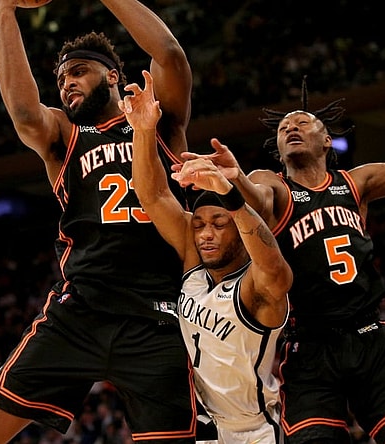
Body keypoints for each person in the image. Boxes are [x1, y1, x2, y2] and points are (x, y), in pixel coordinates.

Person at [177, 20, 385, 444]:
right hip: (309, 347)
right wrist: (233, 183)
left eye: (303, 122)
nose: (291, 128)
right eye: (284, 127)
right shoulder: (273, 186)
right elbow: (255, 199)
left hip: (370, 337)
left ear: (327, 141)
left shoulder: (357, 184)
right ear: (278, 149)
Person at [0, 0, 195, 442]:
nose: (67, 84)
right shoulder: (65, 136)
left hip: (159, 313)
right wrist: (3, 11)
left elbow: (171, 56)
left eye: (79, 71)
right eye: (61, 78)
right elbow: (25, 115)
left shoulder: (158, 121)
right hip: (79, 308)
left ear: (113, 76)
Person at [119, 70, 293, 443]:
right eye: (199, 225)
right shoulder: (195, 266)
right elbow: (153, 196)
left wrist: (232, 198)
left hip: (256, 431)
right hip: (204, 427)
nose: (206, 234)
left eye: (218, 224)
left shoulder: (254, 286)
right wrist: (144, 131)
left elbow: (277, 269)